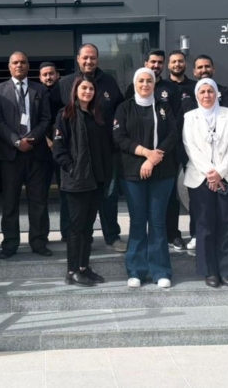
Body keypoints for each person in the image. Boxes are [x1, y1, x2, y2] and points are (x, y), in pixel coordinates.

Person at [57, 44, 126, 251]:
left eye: (93, 57)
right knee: (71, 198)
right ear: (78, 58)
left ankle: (112, 236)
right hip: (75, 154)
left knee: (108, 196)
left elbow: (120, 110)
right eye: (85, 57)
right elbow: (54, 115)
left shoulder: (109, 82)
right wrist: (56, 146)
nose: (89, 61)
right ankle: (70, 237)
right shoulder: (65, 83)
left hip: (106, 153)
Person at [114, 68, 179, 289]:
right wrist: (145, 153)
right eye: (141, 80)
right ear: (134, 83)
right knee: (138, 221)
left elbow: (173, 135)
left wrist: (153, 159)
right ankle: (136, 271)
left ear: (154, 84)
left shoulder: (163, 107)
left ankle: (161, 271)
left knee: (158, 222)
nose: (145, 84)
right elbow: (119, 137)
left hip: (162, 172)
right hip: (133, 173)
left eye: (149, 80)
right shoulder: (124, 108)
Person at [183, 79, 228, 288]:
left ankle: (226, 271)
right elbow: (190, 147)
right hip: (200, 177)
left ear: (217, 94)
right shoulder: (190, 117)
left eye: (210, 91)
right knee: (205, 226)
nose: (206, 95)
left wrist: (220, 172)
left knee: (226, 225)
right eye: (202, 91)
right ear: (196, 95)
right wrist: (210, 173)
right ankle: (209, 271)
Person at [0, 52, 53, 258]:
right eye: (15, 62)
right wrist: (16, 141)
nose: (19, 65)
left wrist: (31, 139)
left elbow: (46, 119)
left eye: (23, 62)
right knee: (10, 202)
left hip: (36, 153)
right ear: (9, 66)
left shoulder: (39, 89)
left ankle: (39, 242)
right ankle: (10, 244)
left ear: (28, 66)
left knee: (39, 201)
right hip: (10, 155)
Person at [53, 75, 112, 286]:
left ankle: (84, 267)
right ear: (76, 90)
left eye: (91, 89)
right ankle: (72, 271)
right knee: (76, 228)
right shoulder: (65, 114)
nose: (88, 92)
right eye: (84, 88)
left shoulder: (96, 115)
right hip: (76, 181)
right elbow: (58, 149)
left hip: (96, 180)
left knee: (88, 228)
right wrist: (73, 168)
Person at [125, 50, 185, 249]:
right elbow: (124, 131)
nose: (156, 65)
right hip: (136, 162)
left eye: (160, 62)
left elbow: (175, 126)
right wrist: (145, 153)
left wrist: (157, 154)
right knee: (139, 216)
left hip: (164, 158)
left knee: (165, 206)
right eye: (153, 62)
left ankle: (171, 237)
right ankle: (138, 260)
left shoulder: (169, 92)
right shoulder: (129, 97)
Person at [39, 62, 70, 241]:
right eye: (45, 75)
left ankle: (67, 232)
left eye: (51, 74)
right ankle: (42, 236)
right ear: (40, 77)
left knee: (66, 191)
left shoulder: (65, 93)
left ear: (57, 75)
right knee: (40, 194)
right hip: (42, 150)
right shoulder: (36, 94)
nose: (48, 77)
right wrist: (48, 141)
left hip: (63, 150)